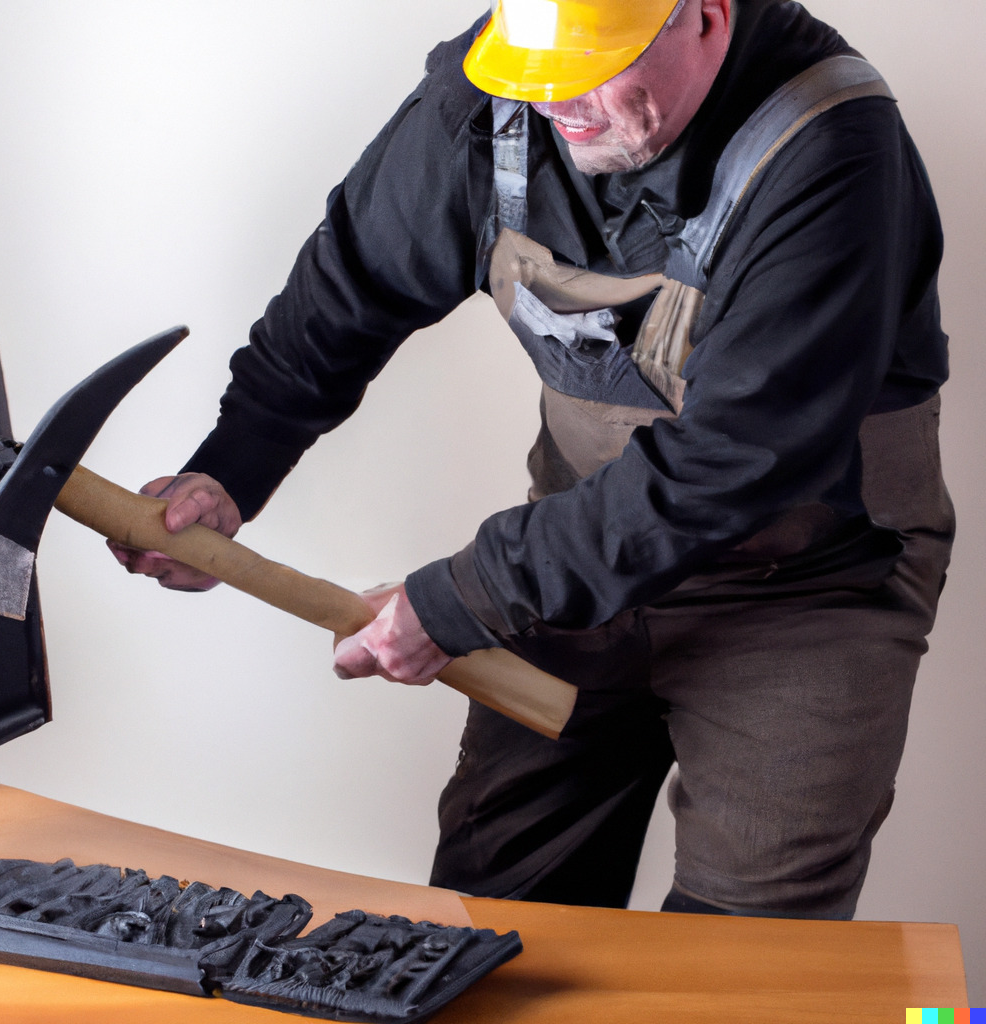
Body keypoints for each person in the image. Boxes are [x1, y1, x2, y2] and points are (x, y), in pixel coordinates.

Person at [110, 0, 953, 920]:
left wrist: (458, 598)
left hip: (807, 587)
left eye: (590, 67)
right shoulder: (503, 87)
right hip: (570, 577)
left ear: (705, 15)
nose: (557, 103)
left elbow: (734, 461)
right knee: (499, 921)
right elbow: (349, 288)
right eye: (534, 70)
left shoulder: (830, 148)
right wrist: (228, 472)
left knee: (745, 962)